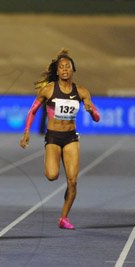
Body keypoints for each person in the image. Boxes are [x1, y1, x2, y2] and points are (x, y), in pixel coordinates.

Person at [19, 49, 100, 230]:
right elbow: (32, 111)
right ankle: (54, 168)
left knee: (73, 181)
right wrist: (26, 132)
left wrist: (91, 110)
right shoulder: (48, 90)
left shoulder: (82, 91)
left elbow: (97, 118)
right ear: (57, 71)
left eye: (68, 67)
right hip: (54, 137)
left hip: (71, 138)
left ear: (73, 70)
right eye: (61, 67)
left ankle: (64, 217)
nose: (64, 70)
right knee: (52, 175)